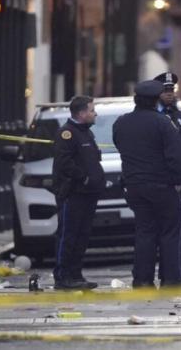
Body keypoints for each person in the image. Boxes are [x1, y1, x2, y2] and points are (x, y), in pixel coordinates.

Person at [113, 80, 181, 288]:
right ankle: (171, 279)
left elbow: (120, 146)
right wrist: (179, 181)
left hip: (135, 186)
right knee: (169, 233)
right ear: (156, 100)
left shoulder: (121, 122)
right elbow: (176, 156)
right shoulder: (163, 123)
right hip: (162, 186)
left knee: (145, 232)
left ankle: (142, 279)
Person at [51, 96, 105, 290]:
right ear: (81, 113)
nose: (94, 113)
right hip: (73, 193)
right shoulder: (67, 133)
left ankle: (76, 275)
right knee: (68, 235)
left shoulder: (85, 133)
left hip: (88, 193)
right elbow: (64, 163)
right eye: (91, 110)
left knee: (82, 235)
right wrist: (84, 178)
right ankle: (62, 276)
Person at [154, 72, 181, 286]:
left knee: (176, 231)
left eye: (171, 91)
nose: (169, 95)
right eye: (165, 91)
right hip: (156, 182)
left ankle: (180, 274)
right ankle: (164, 275)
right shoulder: (151, 116)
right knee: (156, 232)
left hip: (176, 183)